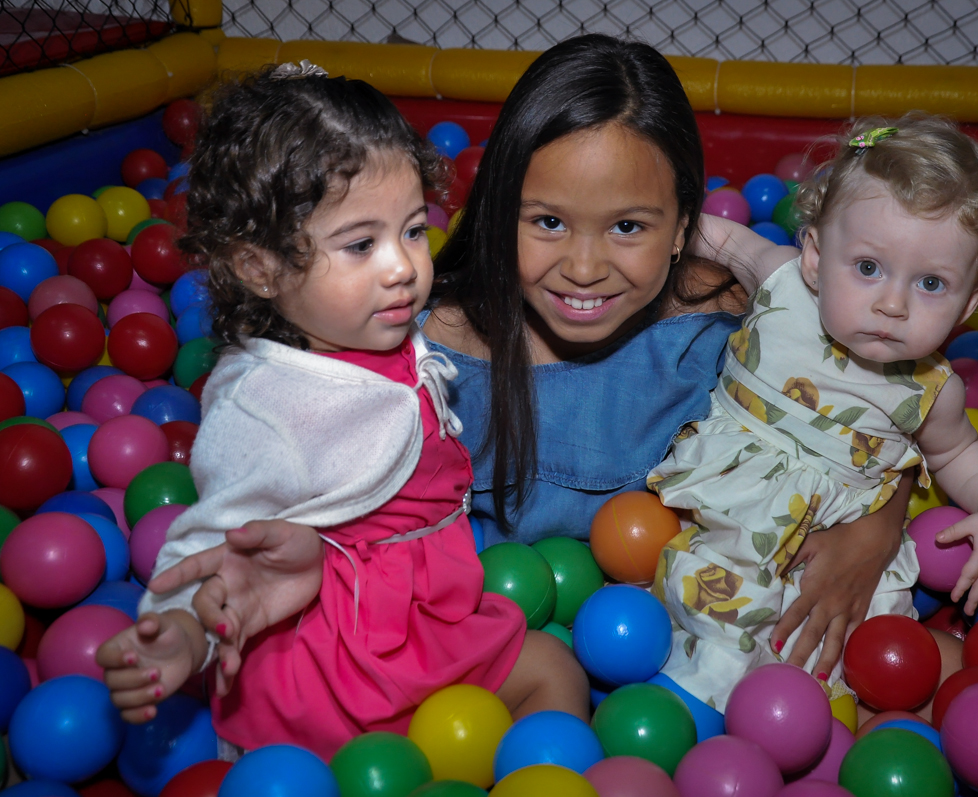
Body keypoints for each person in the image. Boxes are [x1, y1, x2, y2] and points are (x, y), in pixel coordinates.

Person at [147, 35, 916, 699]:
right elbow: (290, 461)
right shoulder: (422, 352)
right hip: (482, 661)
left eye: (627, 226)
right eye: (548, 221)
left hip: (697, 655)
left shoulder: (725, 331)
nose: (583, 266)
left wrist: (875, 527)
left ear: (683, 227)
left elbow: (877, 412)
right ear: (498, 212)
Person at [95, 63, 587, 762]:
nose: (401, 267)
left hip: (423, 614)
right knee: (543, 676)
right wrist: (181, 630)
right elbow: (214, 545)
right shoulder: (271, 406)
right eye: (360, 245)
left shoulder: (369, 329)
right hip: (347, 661)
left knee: (553, 671)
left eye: (411, 231)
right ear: (260, 268)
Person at [648, 116, 978, 712]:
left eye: (931, 283)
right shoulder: (780, 283)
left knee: (867, 657)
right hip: (730, 517)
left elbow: (958, 452)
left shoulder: (933, 389)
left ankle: (834, 721)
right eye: (868, 268)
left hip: (841, 547)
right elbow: (716, 236)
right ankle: (702, 709)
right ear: (815, 257)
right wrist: (649, 223)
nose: (893, 304)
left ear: (968, 303)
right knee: (711, 633)